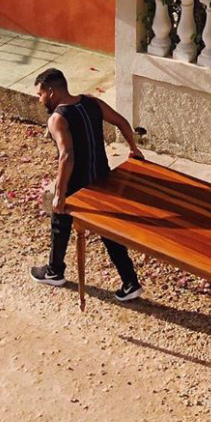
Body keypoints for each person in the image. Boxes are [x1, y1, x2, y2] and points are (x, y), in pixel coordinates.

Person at [29, 68, 145, 302]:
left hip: (79, 185)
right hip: (102, 177)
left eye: (41, 94)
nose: (40, 100)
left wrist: (60, 194)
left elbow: (67, 156)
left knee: (59, 219)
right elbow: (121, 122)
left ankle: (54, 271)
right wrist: (133, 148)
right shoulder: (93, 103)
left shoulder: (58, 118)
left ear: (51, 92)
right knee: (108, 231)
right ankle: (130, 281)